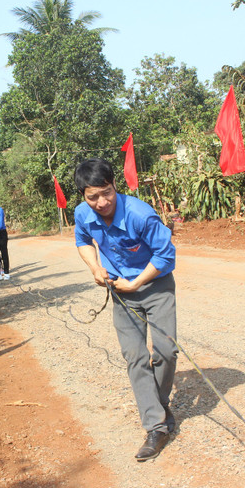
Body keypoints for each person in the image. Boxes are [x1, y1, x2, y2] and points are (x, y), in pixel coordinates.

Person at [73, 158, 178, 462]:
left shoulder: (140, 215)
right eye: (93, 196)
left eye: (106, 192)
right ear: (83, 195)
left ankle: (156, 404)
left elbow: (166, 256)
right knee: (135, 357)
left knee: (166, 352)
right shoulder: (83, 214)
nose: (102, 202)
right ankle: (156, 426)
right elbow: (82, 241)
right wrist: (95, 267)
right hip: (120, 292)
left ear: (115, 185)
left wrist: (137, 284)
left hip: (155, 286)